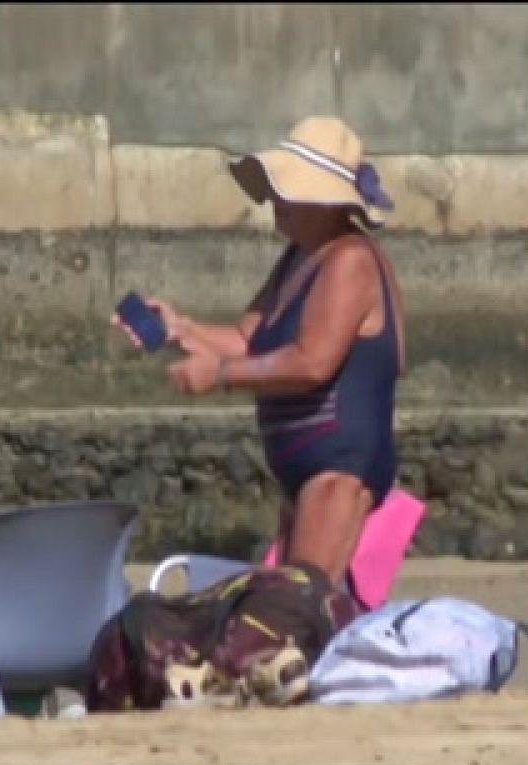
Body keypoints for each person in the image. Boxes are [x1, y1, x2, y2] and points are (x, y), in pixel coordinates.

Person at [114, 116, 403, 592]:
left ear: (326, 202)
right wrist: (179, 328)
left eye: (288, 191)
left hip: (338, 464)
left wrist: (221, 375)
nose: (276, 201)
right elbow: (248, 338)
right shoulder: (302, 256)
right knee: (284, 612)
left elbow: (312, 363)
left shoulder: (350, 259)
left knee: (295, 613)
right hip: (306, 465)